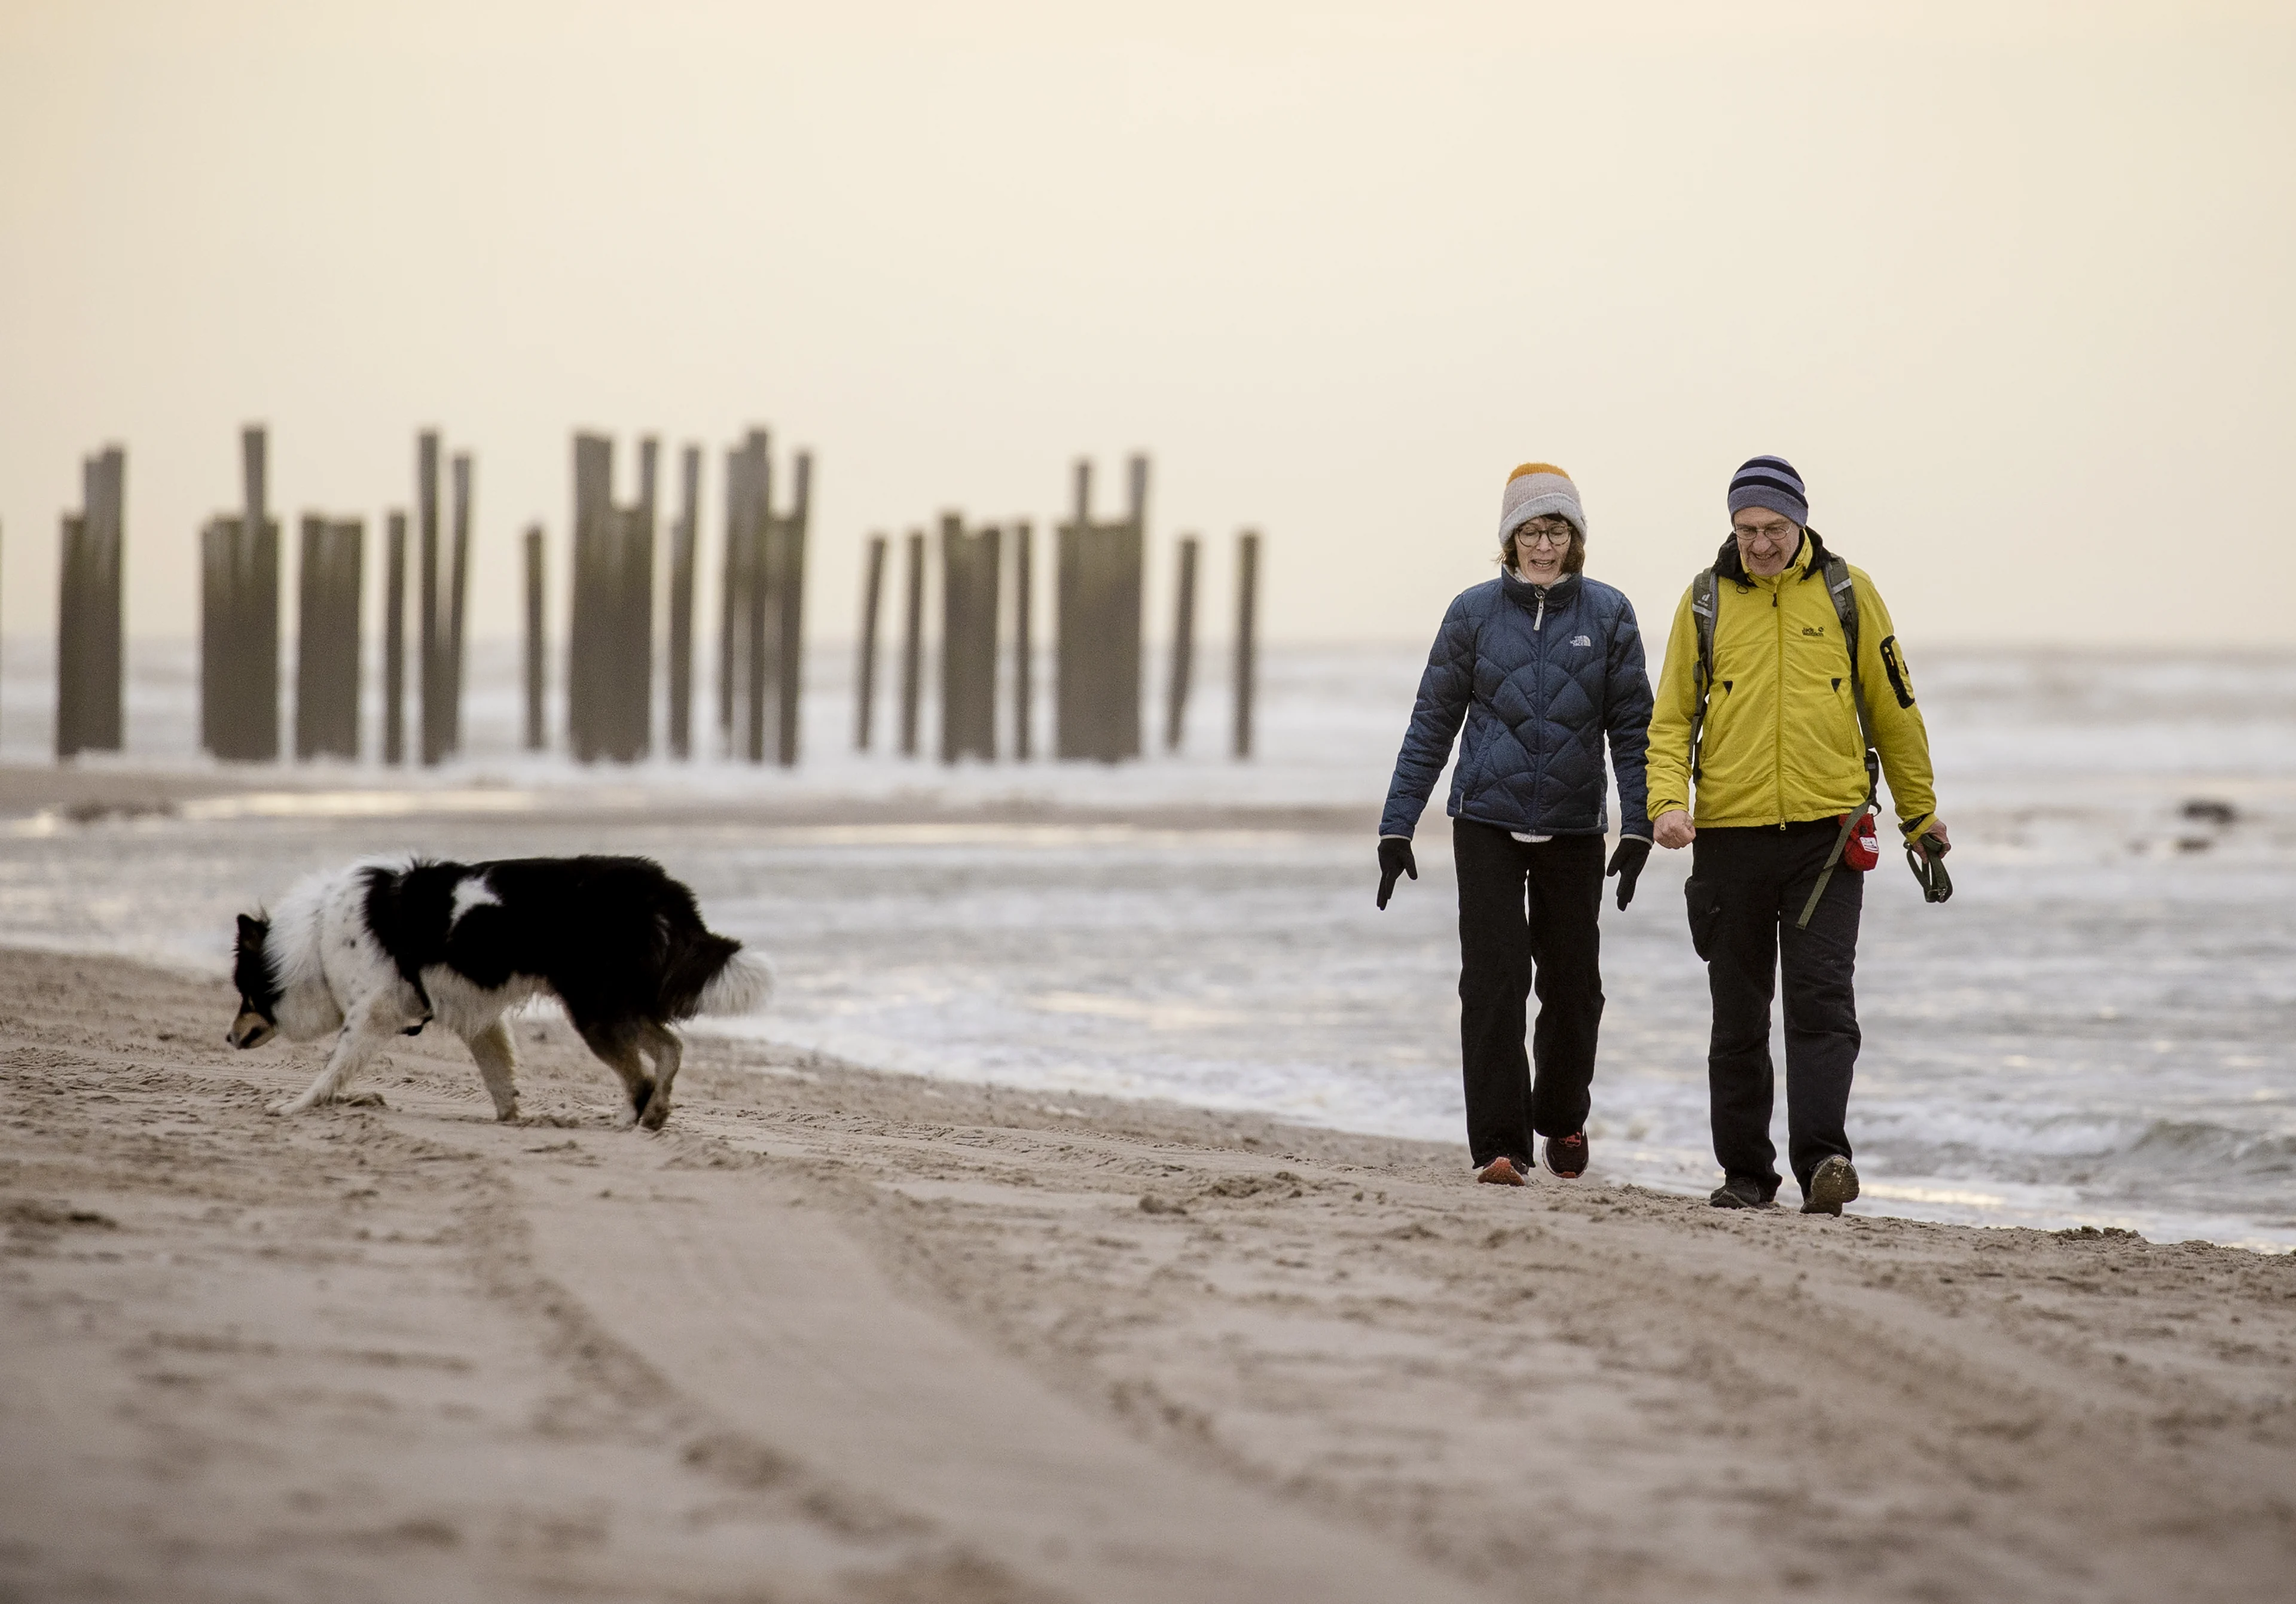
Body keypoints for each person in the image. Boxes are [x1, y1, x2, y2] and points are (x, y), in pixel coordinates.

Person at [1644, 455, 1947, 1215]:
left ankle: (1824, 1164)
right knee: (1739, 1016)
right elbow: (1672, 718)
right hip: (1729, 838)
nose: (1760, 544)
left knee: (1822, 1005)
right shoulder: (1706, 600)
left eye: (1774, 529)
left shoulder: (1849, 593)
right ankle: (1746, 1175)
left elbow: (1894, 708)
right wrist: (1664, 804)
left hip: (1828, 835)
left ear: (1800, 521)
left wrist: (1920, 816)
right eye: (1746, 530)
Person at [1378, 463, 1654, 1187]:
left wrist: (1639, 826)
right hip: (1485, 821)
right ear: (1508, 539)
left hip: (1572, 825)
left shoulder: (1611, 614)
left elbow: (1634, 729)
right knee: (1492, 982)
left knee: (1574, 987)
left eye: (1556, 530)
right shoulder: (1472, 614)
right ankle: (1499, 1146)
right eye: (1530, 531)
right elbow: (1431, 724)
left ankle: (1562, 1113)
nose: (1543, 545)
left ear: (1576, 538)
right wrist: (1396, 825)